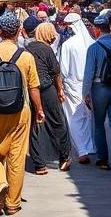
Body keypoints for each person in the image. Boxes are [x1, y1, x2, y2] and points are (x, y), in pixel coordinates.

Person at [0, 13, 44, 216]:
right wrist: (39, 109)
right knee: (17, 156)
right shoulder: (26, 56)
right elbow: (34, 88)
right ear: (18, 31)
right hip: (20, 112)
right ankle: (13, 202)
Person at [25, 20, 74, 174]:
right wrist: (60, 90)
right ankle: (65, 157)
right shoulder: (46, 50)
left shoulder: (27, 48)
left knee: (34, 125)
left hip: (31, 89)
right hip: (47, 89)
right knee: (58, 121)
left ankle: (39, 164)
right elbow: (56, 72)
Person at [83, 14, 111, 176]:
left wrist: (85, 94)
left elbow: (88, 74)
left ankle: (102, 159)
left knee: (99, 124)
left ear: (97, 29)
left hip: (99, 88)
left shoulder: (93, 48)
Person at [57, 11, 95, 165]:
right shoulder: (91, 42)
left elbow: (63, 69)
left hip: (73, 85)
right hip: (90, 85)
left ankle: (82, 150)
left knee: (74, 117)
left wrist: (61, 87)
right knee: (87, 117)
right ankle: (87, 146)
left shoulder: (68, 44)